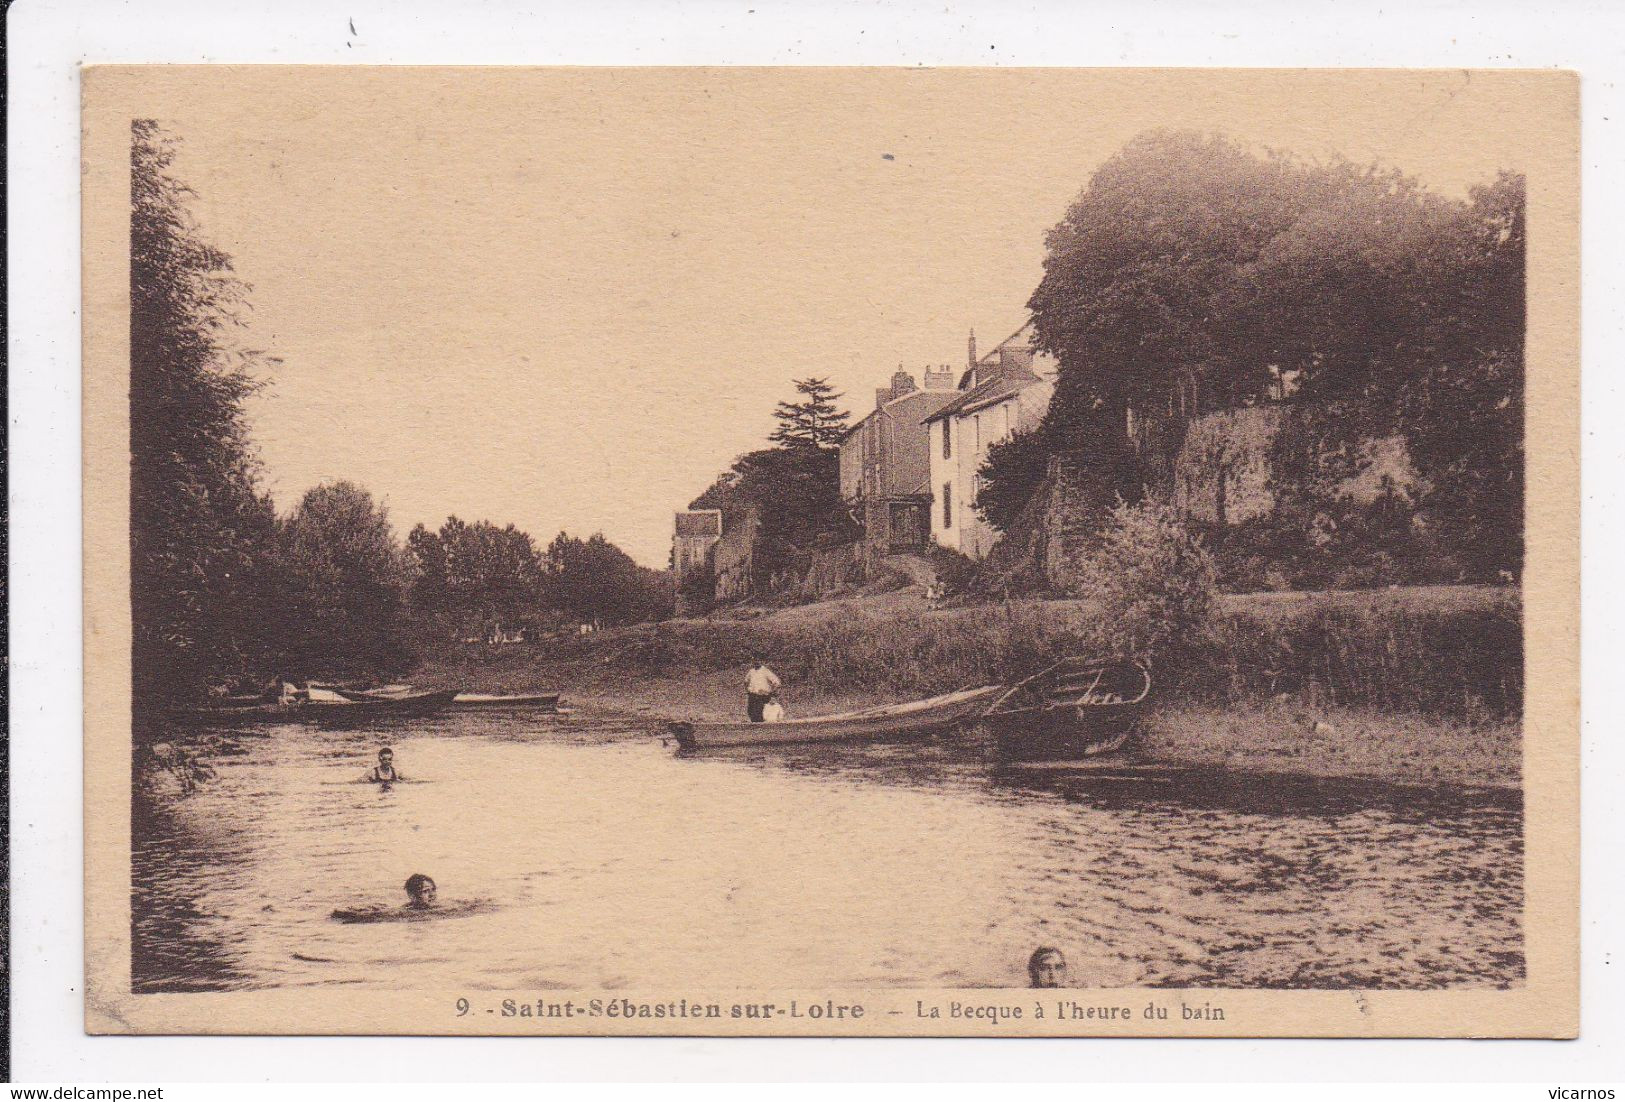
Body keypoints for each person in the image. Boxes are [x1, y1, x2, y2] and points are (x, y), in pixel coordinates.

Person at [745, 656, 781, 723]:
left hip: (762, 696)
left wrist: (771, 692)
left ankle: (761, 729)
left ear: (761, 661)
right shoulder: (751, 671)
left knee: (759, 714)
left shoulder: (765, 671)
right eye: (755, 661)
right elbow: (746, 681)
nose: (756, 662)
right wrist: (748, 690)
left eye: (758, 660)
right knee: (751, 712)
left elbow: (776, 682)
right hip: (753, 695)